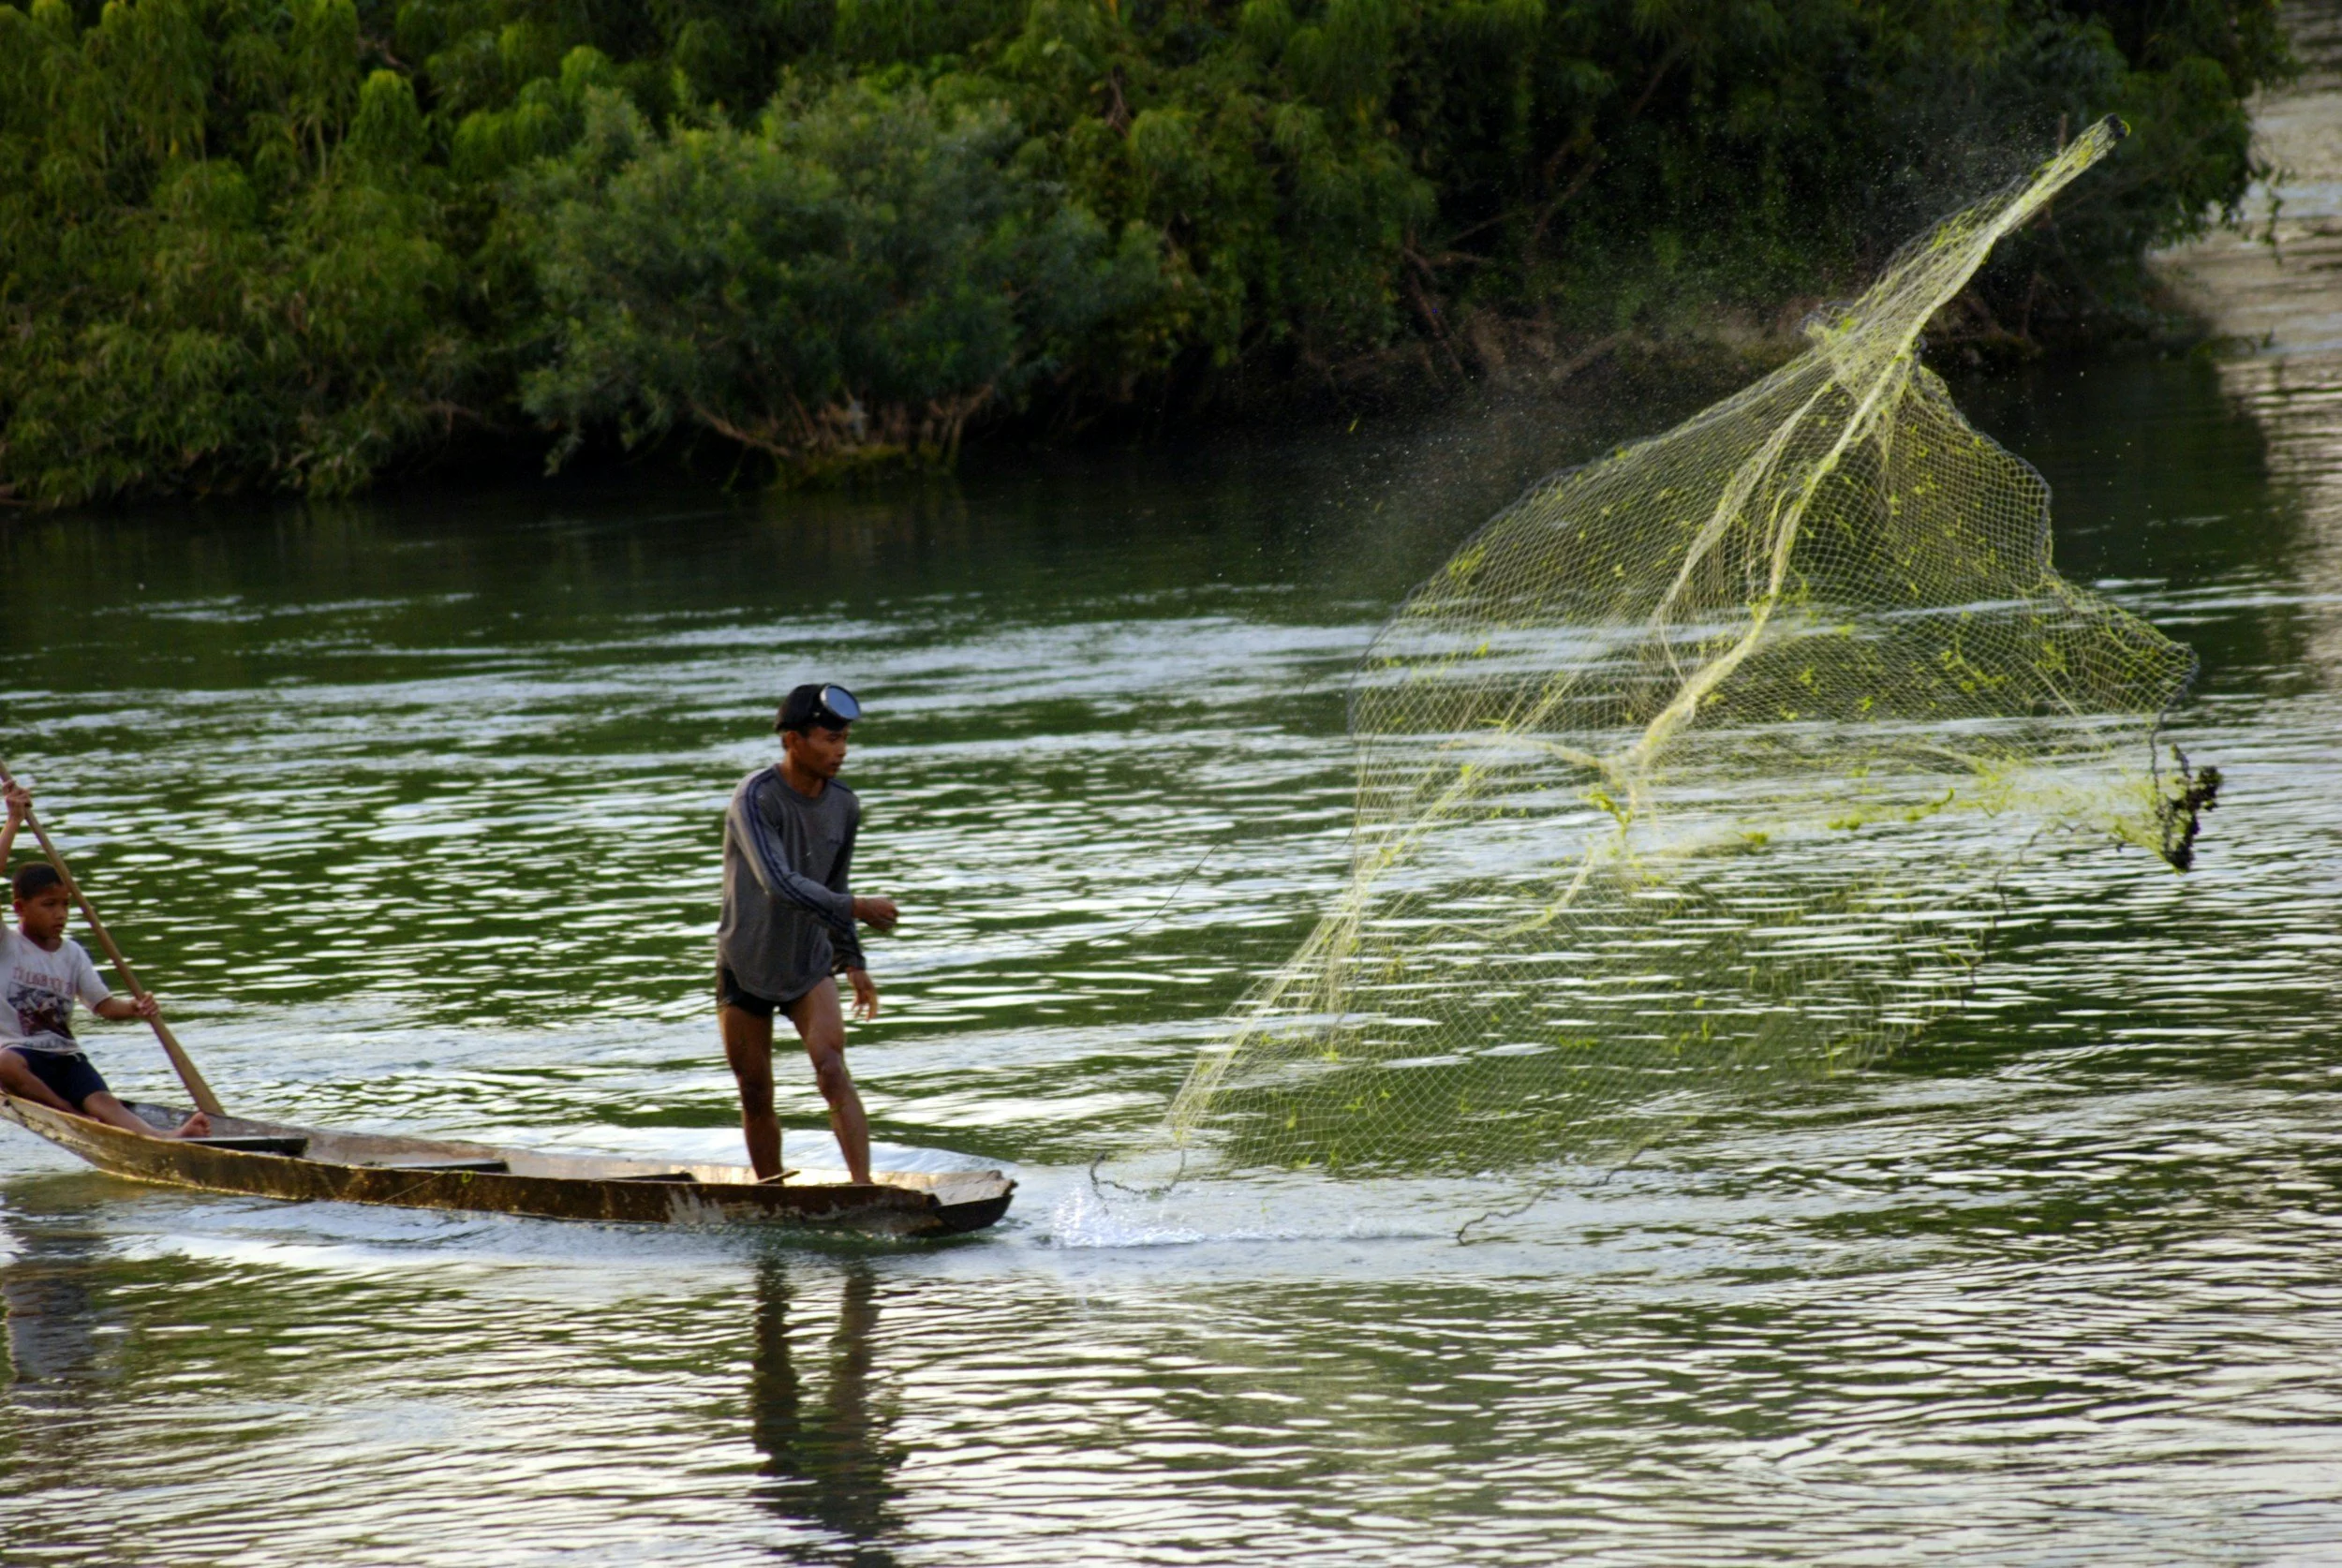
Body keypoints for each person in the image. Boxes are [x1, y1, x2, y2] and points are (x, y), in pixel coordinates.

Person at [717, 684, 898, 1184]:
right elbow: (778, 883)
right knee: (755, 1090)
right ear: (792, 741)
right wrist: (857, 908)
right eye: (829, 738)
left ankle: (863, 1189)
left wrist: (853, 960)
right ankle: (771, 1193)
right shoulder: (754, 798)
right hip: (746, 964)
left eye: (845, 739)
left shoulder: (845, 804)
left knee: (832, 1068)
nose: (841, 750)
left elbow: (834, 883)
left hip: (809, 963)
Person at [0, 785, 210, 1138]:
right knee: (2, 1064)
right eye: (49, 905)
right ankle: (66, 1111)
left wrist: (135, 1008)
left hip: (65, 1057)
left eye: (65, 905)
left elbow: (103, 1006)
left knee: (102, 1101)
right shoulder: (7, 945)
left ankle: (166, 1138)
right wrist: (14, 821)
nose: (60, 915)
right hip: (21, 1058)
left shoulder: (72, 954)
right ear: (20, 908)